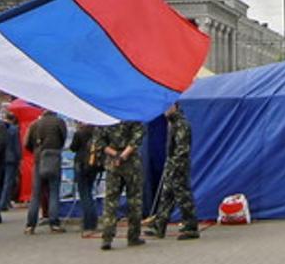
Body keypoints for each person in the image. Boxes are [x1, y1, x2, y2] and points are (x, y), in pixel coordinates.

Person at [146, 104, 199, 240]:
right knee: (166, 195)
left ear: (174, 107)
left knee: (183, 196)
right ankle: (159, 225)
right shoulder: (172, 123)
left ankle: (191, 227)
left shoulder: (181, 124)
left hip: (179, 166)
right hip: (171, 165)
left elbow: (182, 150)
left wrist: (173, 166)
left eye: (167, 108)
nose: (164, 112)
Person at [97, 120, 147, 250]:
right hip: (131, 164)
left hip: (112, 164)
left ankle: (107, 238)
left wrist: (116, 155)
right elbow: (137, 137)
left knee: (110, 202)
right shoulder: (132, 115)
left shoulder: (106, 118)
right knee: (134, 201)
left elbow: (100, 142)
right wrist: (123, 155)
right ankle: (133, 237)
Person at [24, 109, 67, 234]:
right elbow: (63, 139)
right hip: (54, 159)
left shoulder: (35, 124)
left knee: (36, 194)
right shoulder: (60, 122)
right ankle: (54, 223)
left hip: (39, 159)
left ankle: (30, 225)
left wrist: (37, 151)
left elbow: (27, 143)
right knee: (54, 191)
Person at [68, 122, 100, 237]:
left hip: (81, 164)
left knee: (84, 195)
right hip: (93, 165)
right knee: (90, 193)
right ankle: (94, 221)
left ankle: (88, 224)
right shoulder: (96, 133)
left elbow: (73, 148)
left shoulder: (79, 133)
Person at [0, 113, 21, 212]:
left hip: (0, 157)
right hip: (11, 158)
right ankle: (4, 203)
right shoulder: (14, 129)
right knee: (8, 181)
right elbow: (16, 145)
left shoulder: (0, 127)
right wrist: (19, 158)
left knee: (1, 181)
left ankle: (3, 201)